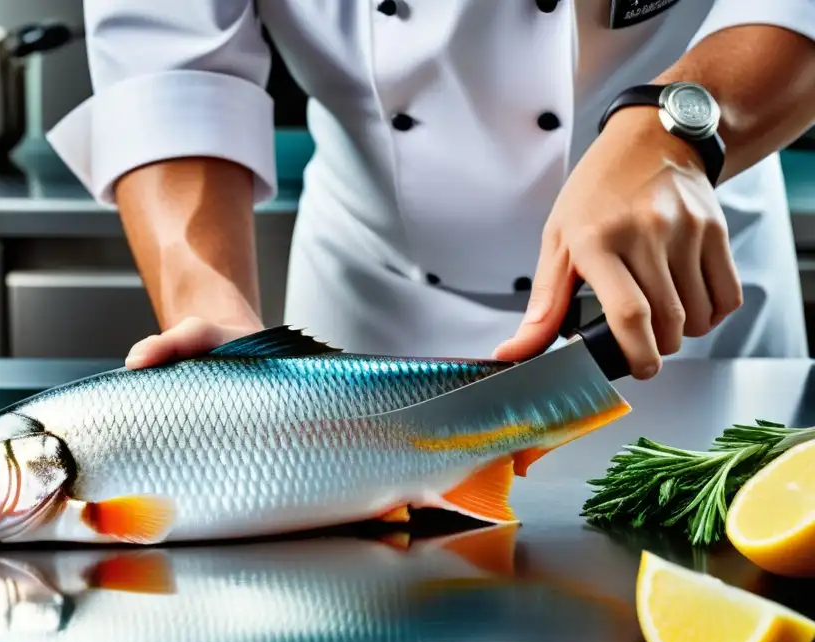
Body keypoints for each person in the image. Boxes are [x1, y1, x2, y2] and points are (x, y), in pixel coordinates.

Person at [47, 1, 815, 380]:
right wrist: (217, 323)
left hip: (685, 295)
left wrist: (673, 132)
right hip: (361, 330)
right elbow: (176, 66)